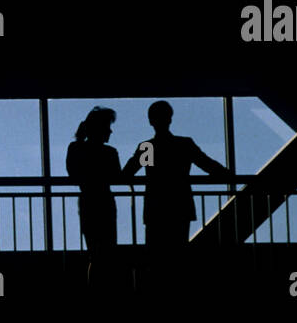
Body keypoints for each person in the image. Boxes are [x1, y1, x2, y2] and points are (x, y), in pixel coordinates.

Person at [122, 100, 230, 249]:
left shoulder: (149, 148)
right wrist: (227, 174)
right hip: (180, 204)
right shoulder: (183, 144)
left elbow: (128, 173)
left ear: (150, 121)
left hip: (156, 207)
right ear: (170, 119)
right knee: (178, 253)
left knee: (155, 253)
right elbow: (207, 164)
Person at [66, 106, 121, 285]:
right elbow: (117, 177)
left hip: (88, 201)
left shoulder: (75, 148)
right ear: (99, 128)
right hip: (105, 202)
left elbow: (73, 174)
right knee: (107, 251)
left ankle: (96, 289)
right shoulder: (110, 153)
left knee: (95, 253)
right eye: (107, 126)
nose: (110, 130)